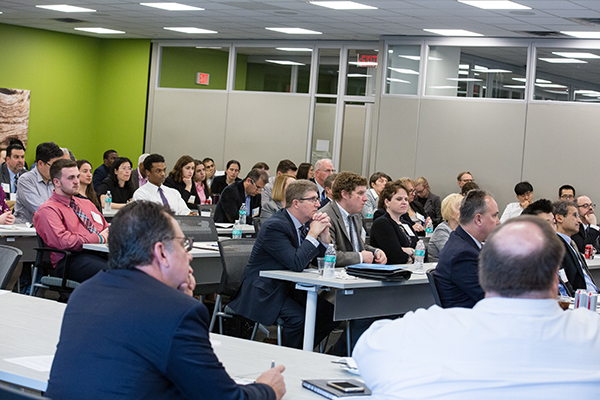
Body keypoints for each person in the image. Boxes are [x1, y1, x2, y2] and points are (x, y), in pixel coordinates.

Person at [45, 201, 286, 400]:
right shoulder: (178, 312)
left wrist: (178, 299)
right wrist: (267, 389)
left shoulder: (86, 292)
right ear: (161, 252)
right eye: (184, 244)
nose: (189, 254)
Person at [354, 216, 600, 400]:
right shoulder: (592, 333)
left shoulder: (419, 331)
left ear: (483, 275)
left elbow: (363, 358)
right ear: (556, 280)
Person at [228, 180, 339, 349]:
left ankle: (299, 350)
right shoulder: (275, 226)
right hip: (265, 290)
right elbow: (296, 263)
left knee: (330, 313)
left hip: (289, 287)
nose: (318, 204)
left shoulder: (306, 224)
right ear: (296, 203)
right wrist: (313, 233)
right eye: (313, 199)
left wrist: (324, 238)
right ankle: (288, 357)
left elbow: (321, 262)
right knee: (298, 318)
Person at [33, 159, 109, 283]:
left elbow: (106, 228)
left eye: (77, 177)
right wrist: (98, 238)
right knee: (112, 273)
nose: (76, 182)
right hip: (70, 259)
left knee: (135, 268)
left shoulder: (87, 203)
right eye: (71, 178)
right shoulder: (48, 210)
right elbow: (63, 241)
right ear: (56, 182)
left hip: (100, 253)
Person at [434, 189, 500, 308]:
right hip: (470, 320)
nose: (498, 221)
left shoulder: (462, 242)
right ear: (478, 219)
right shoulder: (462, 254)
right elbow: (491, 297)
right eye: (494, 215)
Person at [321, 171, 387, 267]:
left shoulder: (355, 215)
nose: (365, 198)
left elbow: (358, 246)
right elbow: (328, 254)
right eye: (360, 193)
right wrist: (360, 257)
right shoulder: (326, 216)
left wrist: (376, 251)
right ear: (344, 194)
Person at [553, 200, 598, 296]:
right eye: (575, 216)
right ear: (559, 218)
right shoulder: (556, 246)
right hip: (580, 300)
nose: (579, 221)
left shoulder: (570, 244)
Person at [14, 141, 64, 224]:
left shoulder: (56, 180)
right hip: (27, 233)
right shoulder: (26, 180)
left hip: (51, 230)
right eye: (53, 166)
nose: (57, 170)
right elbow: (41, 210)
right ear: (40, 163)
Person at [369, 181, 416, 264]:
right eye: (399, 199)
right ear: (387, 202)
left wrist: (407, 250)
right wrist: (412, 253)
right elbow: (395, 256)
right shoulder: (382, 223)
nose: (404, 202)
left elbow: (423, 251)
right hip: (389, 272)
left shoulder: (406, 224)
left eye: (406, 199)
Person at [427, 193, 463, 262]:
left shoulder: (462, 229)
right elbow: (451, 254)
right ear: (450, 211)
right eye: (460, 209)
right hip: (440, 269)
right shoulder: (441, 230)